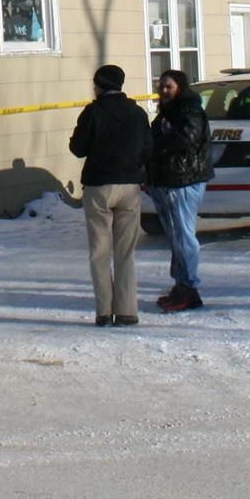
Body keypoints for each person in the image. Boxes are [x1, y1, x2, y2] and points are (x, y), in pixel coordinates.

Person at [68, 63, 150, 326]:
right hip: (129, 186)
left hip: (99, 185)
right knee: (125, 252)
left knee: (99, 251)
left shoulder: (92, 112)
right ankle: (127, 311)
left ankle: (104, 311)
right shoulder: (137, 113)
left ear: (99, 86)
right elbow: (149, 149)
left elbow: (78, 148)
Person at [146, 68, 212, 312]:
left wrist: (155, 145)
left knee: (184, 237)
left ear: (180, 88)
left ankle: (191, 289)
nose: (163, 90)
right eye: (161, 86)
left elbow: (186, 139)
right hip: (166, 181)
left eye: (169, 86)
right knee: (175, 237)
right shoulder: (168, 112)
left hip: (184, 180)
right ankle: (181, 284)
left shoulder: (189, 111)